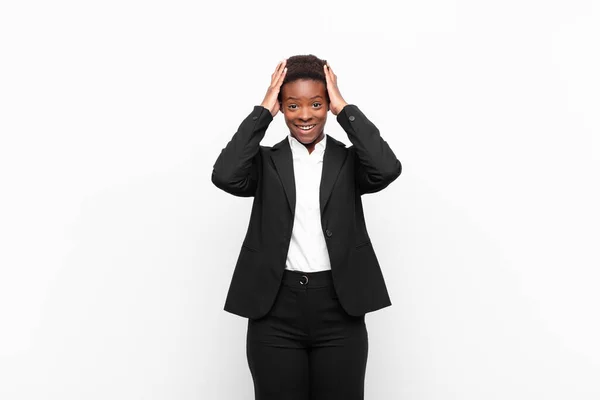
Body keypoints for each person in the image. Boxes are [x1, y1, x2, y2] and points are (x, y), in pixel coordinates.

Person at [211, 54, 402, 400]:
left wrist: (344, 107)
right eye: (292, 105)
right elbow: (224, 175)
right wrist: (262, 111)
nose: (305, 114)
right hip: (275, 311)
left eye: (316, 103)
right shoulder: (266, 162)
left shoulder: (348, 161)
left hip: (338, 309)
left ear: (326, 104)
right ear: (282, 109)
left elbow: (387, 168)